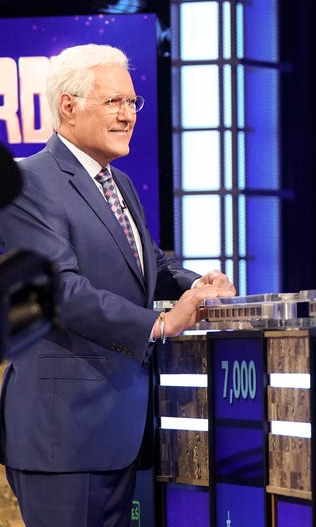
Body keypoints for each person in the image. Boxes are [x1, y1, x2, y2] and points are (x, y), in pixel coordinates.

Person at [0, 43, 236, 526]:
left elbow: (151, 267)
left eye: (132, 103)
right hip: (64, 436)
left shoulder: (119, 183)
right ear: (68, 106)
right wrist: (163, 323)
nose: (128, 115)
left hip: (118, 431)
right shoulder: (30, 184)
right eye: (114, 102)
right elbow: (57, 292)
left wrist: (203, 285)